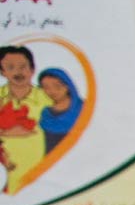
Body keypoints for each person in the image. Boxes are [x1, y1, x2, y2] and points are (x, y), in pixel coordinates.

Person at [0, 46, 49, 194]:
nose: (18, 72)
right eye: (10, 67)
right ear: (2, 72)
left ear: (32, 70)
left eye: (23, 67)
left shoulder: (47, 98)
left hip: (41, 172)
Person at [37, 68, 84, 154]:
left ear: (67, 86)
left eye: (57, 86)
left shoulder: (83, 109)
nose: (52, 91)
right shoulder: (46, 114)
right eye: (46, 87)